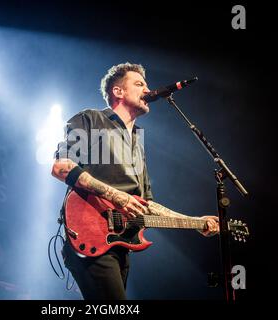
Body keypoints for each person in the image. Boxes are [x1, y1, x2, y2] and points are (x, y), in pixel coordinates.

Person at [51, 62, 219, 300]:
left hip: (118, 243)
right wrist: (117, 196)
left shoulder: (137, 141)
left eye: (146, 84)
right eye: (139, 84)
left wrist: (195, 222)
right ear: (118, 91)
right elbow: (61, 167)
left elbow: (147, 206)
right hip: (89, 233)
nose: (147, 90)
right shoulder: (90, 119)